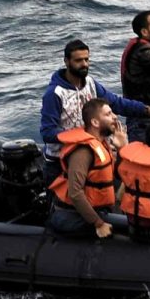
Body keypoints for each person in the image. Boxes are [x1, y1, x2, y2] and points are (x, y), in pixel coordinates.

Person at [40, 39, 150, 146]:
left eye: (86, 59)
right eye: (78, 61)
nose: (84, 64)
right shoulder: (55, 93)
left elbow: (115, 103)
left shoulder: (90, 83)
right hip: (61, 156)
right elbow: (47, 132)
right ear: (66, 61)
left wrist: (146, 110)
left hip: (93, 147)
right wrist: (81, 136)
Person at [47, 98, 123, 239]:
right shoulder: (83, 151)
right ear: (95, 122)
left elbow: (120, 176)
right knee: (120, 232)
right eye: (108, 114)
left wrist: (123, 148)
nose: (114, 117)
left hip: (96, 208)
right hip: (70, 216)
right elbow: (75, 193)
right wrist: (98, 224)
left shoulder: (102, 144)